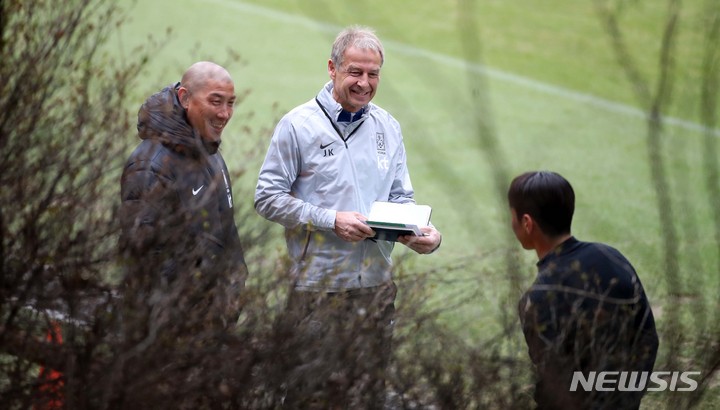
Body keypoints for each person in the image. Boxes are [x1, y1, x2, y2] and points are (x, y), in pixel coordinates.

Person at [254, 25, 442, 407]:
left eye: (373, 74)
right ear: (332, 68)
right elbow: (267, 197)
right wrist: (330, 219)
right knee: (309, 396)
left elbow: (400, 196)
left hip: (375, 288)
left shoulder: (388, 127)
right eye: (355, 72)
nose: (364, 83)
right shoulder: (297, 125)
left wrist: (422, 233)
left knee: (366, 395)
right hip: (316, 290)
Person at [507, 171, 659, 410]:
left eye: (512, 215)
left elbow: (555, 383)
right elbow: (647, 336)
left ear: (527, 223)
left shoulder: (537, 300)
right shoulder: (611, 256)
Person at [119, 61, 248, 333]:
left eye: (230, 103)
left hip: (208, 324)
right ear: (185, 98)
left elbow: (229, 239)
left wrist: (231, 295)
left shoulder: (212, 157)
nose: (225, 114)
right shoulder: (150, 166)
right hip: (165, 330)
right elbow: (144, 262)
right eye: (215, 101)